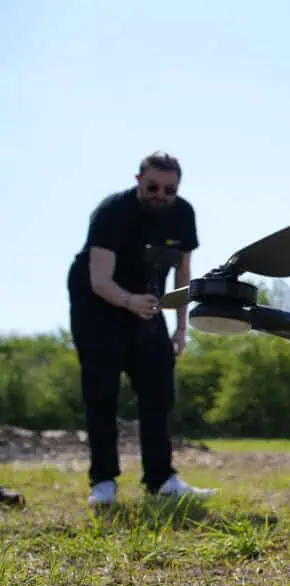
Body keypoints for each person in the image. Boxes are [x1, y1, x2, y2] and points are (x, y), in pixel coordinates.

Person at [66, 151, 216, 506]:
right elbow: (100, 280)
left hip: (146, 303)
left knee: (158, 388)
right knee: (102, 392)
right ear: (138, 181)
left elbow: (182, 274)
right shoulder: (112, 212)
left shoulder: (182, 214)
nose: (161, 195)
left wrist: (180, 328)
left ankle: (161, 479)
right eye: (152, 187)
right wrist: (129, 301)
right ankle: (104, 481)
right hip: (98, 304)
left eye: (169, 190)